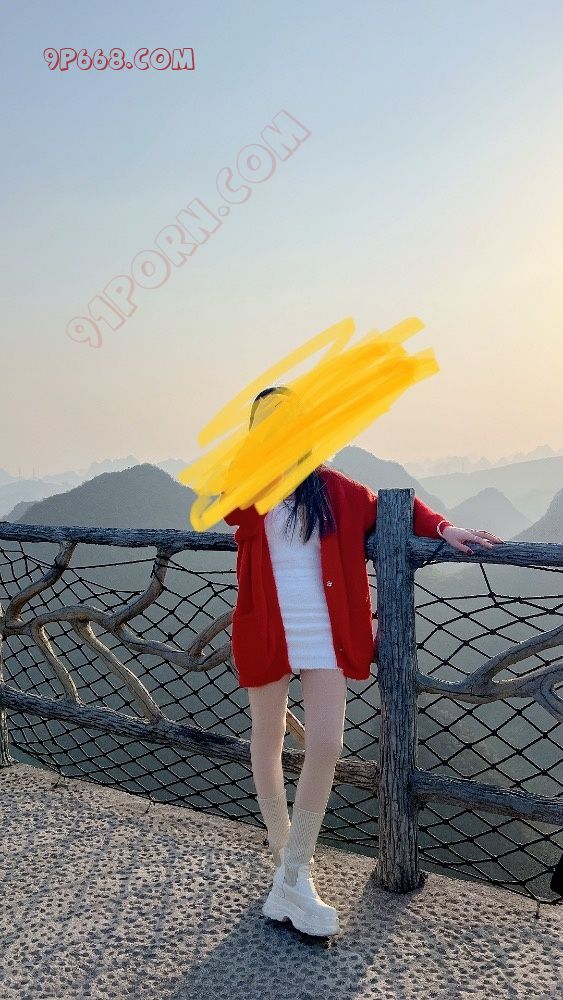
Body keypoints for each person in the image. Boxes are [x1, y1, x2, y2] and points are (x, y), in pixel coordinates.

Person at [222, 385, 504, 936]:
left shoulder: (334, 489)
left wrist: (445, 528)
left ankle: (294, 870)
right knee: (267, 739)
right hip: (268, 629)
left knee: (327, 743)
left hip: (327, 633)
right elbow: (229, 502)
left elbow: (396, 507)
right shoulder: (252, 488)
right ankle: (286, 863)